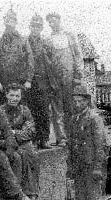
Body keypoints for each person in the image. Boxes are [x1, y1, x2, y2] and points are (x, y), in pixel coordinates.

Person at [67, 83, 108, 200]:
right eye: (75, 101)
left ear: (87, 101)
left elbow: (100, 144)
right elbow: (71, 145)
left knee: (94, 197)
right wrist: (69, 166)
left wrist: (98, 167)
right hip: (78, 165)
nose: (77, 104)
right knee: (81, 198)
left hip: (91, 165)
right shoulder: (73, 119)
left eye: (80, 101)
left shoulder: (94, 118)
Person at [0, 83, 43, 200]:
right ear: (6, 95)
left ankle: (33, 195)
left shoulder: (25, 110)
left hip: (21, 141)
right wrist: (13, 134)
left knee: (32, 154)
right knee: (19, 155)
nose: (14, 98)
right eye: (11, 95)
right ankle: (19, 196)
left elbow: (30, 131)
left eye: (17, 96)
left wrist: (14, 133)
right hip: (5, 143)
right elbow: (0, 131)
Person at [46, 12, 84, 147]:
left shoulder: (69, 36)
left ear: (59, 20)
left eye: (54, 21)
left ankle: (75, 135)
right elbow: (48, 61)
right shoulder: (48, 40)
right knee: (57, 109)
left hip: (70, 77)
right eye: (49, 22)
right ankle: (61, 137)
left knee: (72, 107)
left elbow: (78, 55)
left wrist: (78, 75)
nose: (52, 24)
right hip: (56, 79)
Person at [27, 14, 60, 149]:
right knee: (31, 111)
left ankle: (44, 139)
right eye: (33, 26)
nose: (36, 29)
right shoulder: (25, 41)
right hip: (29, 82)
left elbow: (54, 62)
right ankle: (34, 139)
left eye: (38, 26)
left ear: (41, 28)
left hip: (44, 82)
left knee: (44, 112)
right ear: (30, 27)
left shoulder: (45, 43)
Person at [0, 8, 34, 101]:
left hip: (20, 81)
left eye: (12, 20)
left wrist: (28, 80)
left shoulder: (23, 41)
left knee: (21, 105)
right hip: (4, 82)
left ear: (16, 22)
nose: (10, 24)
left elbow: (30, 61)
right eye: (8, 20)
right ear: (4, 22)